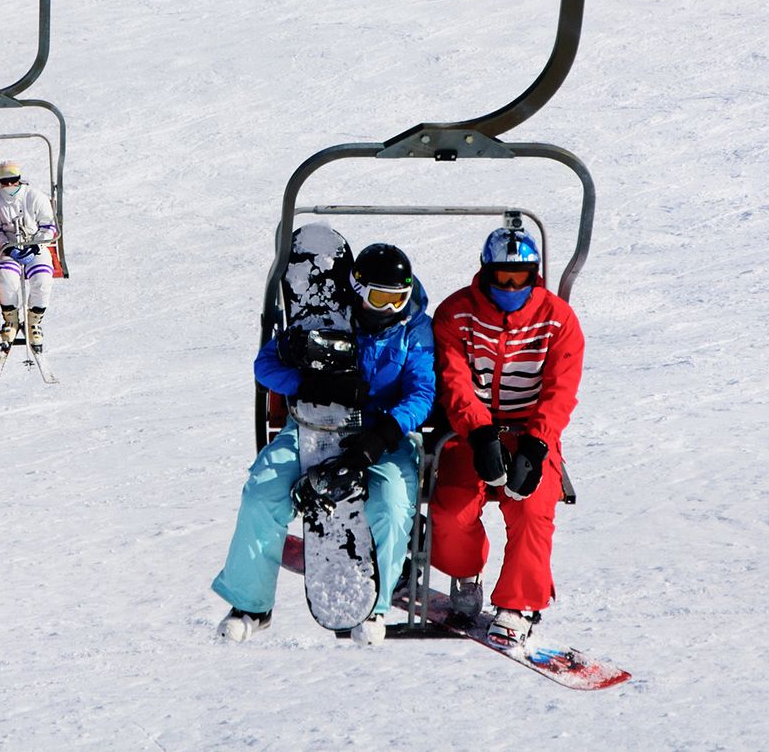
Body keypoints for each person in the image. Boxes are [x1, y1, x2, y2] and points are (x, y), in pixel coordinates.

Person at [212, 230, 433, 645]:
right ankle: (250, 604)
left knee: (391, 503)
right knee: (262, 493)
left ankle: (375, 606)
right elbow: (265, 367)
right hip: (313, 425)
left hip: (380, 436)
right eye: (379, 298)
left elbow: (421, 393)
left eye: (397, 300)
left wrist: (381, 436)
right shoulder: (325, 316)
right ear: (357, 289)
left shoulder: (413, 329)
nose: (388, 309)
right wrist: (309, 385)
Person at [427, 226, 584, 650]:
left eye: (521, 278)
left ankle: (518, 603)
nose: (511, 287)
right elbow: (454, 380)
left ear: (535, 274)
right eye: (502, 278)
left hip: (531, 432)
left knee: (533, 508)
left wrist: (537, 442)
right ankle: (464, 574)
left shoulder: (558, 320)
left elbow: (560, 389)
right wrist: (478, 432)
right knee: (451, 510)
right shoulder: (456, 314)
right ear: (485, 273)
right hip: (470, 431)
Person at [0, 161, 58, 350]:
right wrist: (6, 247)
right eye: (5, 181)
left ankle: (34, 322)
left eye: (13, 180)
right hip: (10, 248)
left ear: (19, 179)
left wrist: (35, 245)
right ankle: (11, 320)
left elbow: (48, 225)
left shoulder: (34, 196)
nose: (9, 186)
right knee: (7, 279)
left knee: (42, 280)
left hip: (35, 246)